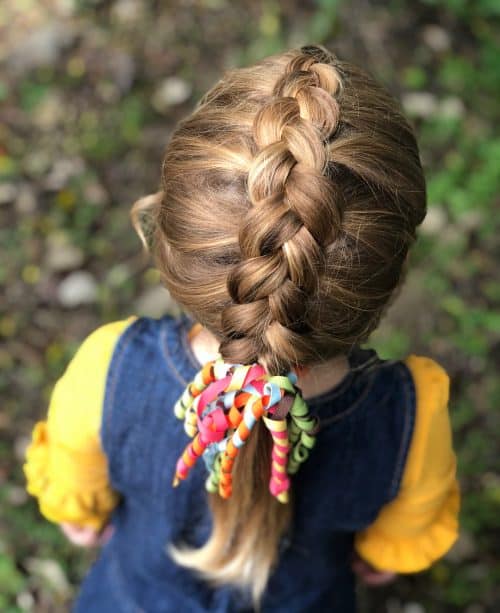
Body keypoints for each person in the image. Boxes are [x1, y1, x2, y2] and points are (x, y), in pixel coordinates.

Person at [23, 45, 460, 612]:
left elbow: (77, 502)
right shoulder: (414, 412)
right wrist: (380, 558)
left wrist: (82, 518)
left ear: (165, 235)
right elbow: (398, 540)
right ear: (392, 272)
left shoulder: (107, 369)